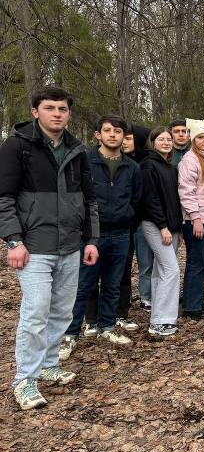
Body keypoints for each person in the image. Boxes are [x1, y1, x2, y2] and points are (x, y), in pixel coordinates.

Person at [0, 85, 99, 410]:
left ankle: (48, 364)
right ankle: (25, 379)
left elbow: (89, 200)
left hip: (70, 245)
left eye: (62, 109)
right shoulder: (17, 146)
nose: (57, 114)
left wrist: (91, 240)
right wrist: (13, 240)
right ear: (35, 111)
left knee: (62, 311)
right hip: (33, 247)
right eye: (50, 108)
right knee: (36, 311)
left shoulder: (77, 149)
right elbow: (4, 198)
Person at [60, 115, 142, 360]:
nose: (113, 135)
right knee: (83, 284)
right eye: (107, 130)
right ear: (98, 134)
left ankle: (107, 326)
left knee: (113, 283)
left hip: (121, 233)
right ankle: (70, 334)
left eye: (118, 131)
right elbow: (74, 196)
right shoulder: (85, 161)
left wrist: (128, 217)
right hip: (91, 235)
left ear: (124, 136)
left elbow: (137, 199)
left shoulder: (132, 167)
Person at [139, 127, 183, 337]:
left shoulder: (170, 168)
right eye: (161, 139)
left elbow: (174, 201)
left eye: (168, 139)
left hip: (171, 226)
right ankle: (161, 321)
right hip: (155, 224)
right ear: (153, 142)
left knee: (161, 270)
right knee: (171, 270)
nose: (166, 142)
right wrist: (163, 226)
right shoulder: (148, 165)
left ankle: (158, 316)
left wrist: (177, 229)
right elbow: (151, 199)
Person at [178, 117, 204, 319]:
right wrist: (195, 219)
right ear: (193, 140)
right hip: (196, 220)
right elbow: (186, 191)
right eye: (200, 137)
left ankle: (195, 298)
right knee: (197, 262)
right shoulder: (190, 160)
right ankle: (191, 306)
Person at [129, 125, 154, 310]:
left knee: (146, 262)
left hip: (144, 219)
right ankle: (125, 297)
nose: (124, 142)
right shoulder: (123, 161)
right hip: (125, 220)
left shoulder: (147, 163)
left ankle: (146, 296)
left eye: (129, 138)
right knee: (123, 263)